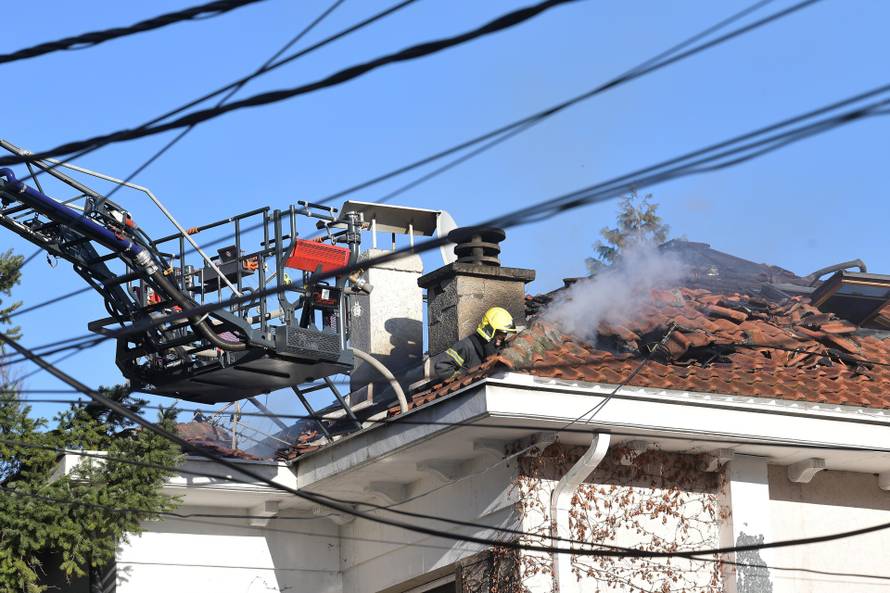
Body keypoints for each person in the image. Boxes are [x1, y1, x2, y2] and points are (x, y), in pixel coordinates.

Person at [430, 307, 518, 382]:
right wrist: (463, 377)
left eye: (503, 338)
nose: (499, 342)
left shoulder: (502, 349)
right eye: (498, 337)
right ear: (488, 330)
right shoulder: (466, 346)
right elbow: (442, 367)